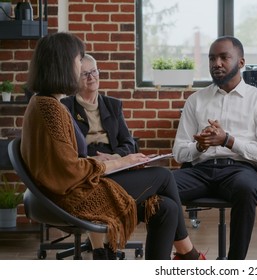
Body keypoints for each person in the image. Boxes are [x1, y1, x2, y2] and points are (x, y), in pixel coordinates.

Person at [21, 32, 204, 260]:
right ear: (63, 64)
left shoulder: (43, 103)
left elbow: (64, 161)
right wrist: (121, 161)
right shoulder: (51, 109)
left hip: (71, 190)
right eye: (79, 61)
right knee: (164, 176)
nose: (81, 68)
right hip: (73, 197)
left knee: (166, 207)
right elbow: (67, 171)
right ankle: (188, 253)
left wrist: (100, 161)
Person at [172, 36, 257, 260]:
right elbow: (179, 152)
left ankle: (234, 264)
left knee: (246, 189)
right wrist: (199, 146)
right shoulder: (196, 100)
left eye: (223, 57)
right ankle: (188, 253)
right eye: (212, 58)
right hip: (200, 170)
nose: (216, 63)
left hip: (238, 170)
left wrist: (228, 140)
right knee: (161, 188)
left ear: (241, 62)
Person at [61, 54, 136, 160]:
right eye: (85, 74)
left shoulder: (113, 105)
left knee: (160, 173)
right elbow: (64, 149)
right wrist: (92, 160)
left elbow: (128, 143)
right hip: (85, 163)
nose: (91, 77)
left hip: (113, 160)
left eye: (94, 71)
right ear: (75, 78)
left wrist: (114, 157)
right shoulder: (65, 106)